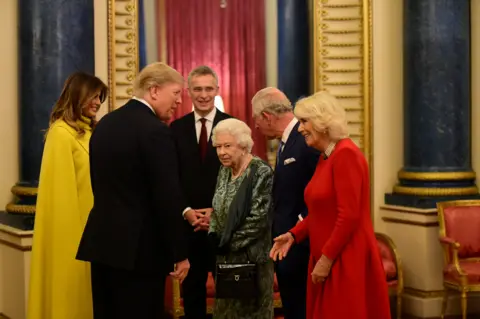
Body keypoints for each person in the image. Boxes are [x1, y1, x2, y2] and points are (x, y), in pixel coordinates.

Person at [76, 62, 192, 319]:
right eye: (175, 94)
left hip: (103, 243)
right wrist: (180, 253)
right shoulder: (155, 131)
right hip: (140, 251)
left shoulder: (105, 124)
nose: (178, 102)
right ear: (153, 91)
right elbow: (166, 197)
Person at [269, 91, 391, 319]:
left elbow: (349, 216)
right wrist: (294, 235)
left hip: (345, 258)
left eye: (304, 121)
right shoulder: (326, 157)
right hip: (327, 255)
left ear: (322, 122)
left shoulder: (346, 154)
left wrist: (326, 260)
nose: (300, 128)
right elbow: (320, 212)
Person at [28, 72, 108, 319]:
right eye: (93, 96)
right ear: (77, 95)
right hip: (73, 233)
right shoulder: (61, 133)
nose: (97, 102)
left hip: (95, 230)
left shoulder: (91, 132)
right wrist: (74, 239)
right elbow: (60, 194)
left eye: (99, 98)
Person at [169, 65, 231, 318]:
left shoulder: (233, 125)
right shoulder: (175, 129)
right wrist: (186, 212)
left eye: (208, 88)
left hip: (225, 227)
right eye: (197, 89)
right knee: (192, 295)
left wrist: (218, 213)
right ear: (188, 92)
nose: (203, 94)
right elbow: (170, 178)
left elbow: (242, 178)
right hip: (188, 226)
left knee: (229, 295)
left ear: (217, 90)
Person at [252, 87, 319, 319]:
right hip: (286, 244)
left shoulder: (304, 141)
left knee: (300, 308)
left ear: (267, 116)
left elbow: (319, 192)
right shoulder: (286, 141)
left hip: (300, 244)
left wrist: (297, 228)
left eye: (256, 119)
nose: (256, 126)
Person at [208, 118, 274, 319]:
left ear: (243, 144)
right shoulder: (224, 170)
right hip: (225, 260)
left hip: (252, 261)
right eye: (218, 146)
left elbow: (259, 219)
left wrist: (227, 243)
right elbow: (217, 209)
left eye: (227, 146)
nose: (221, 152)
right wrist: (213, 235)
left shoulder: (261, 172)